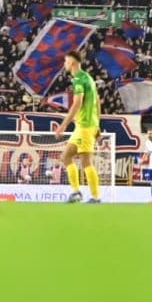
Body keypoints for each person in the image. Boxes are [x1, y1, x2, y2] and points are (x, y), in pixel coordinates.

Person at [55, 51, 102, 204]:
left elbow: (77, 103)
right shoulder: (88, 78)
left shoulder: (78, 79)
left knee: (86, 162)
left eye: (66, 61)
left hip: (85, 126)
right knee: (66, 157)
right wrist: (97, 124)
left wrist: (63, 125)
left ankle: (95, 197)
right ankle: (76, 193)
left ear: (72, 63)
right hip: (85, 125)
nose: (64, 64)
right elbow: (97, 101)